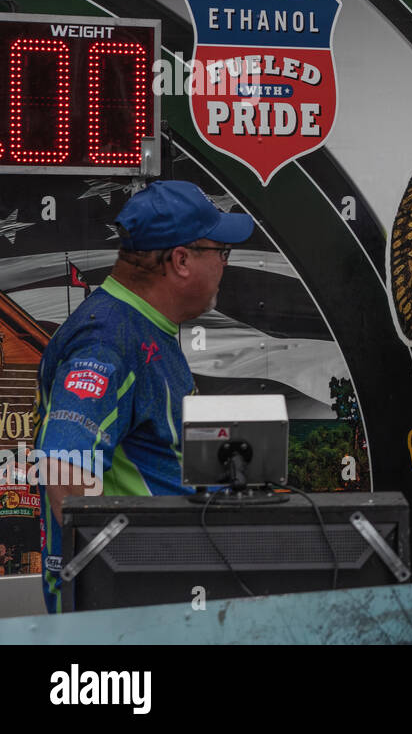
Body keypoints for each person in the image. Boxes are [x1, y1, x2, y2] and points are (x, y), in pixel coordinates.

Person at [34, 180, 253, 613]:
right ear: (181, 260)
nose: (225, 265)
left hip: (165, 597)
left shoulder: (143, 324)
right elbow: (66, 476)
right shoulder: (106, 341)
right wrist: (137, 584)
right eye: (221, 252)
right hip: (130, 615)